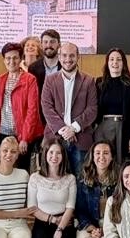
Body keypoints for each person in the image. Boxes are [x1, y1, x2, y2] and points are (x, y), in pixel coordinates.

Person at [29, 139, 79, 238]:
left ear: (63, 156)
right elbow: (32, 208)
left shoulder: (70, 179)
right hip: (43, 223)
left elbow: (70, 207)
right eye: (51, 152)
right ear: (45, 154)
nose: (54, 156)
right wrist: (52, 219)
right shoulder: (35, 178)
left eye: (58, 153)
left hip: (65, 223)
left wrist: (60, 227)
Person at [42, 42, 98, 170]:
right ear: (59, 57)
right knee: (54, 179)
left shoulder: (88, 81)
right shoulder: (50, 80)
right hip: (54, 138)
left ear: (78, 57)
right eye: (64, 55)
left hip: (81, 139)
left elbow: (92, 109)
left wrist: (73, 128)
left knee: (80, 181)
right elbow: (47, 107)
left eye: (72, 55)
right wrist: (63, 129)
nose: (68, 59)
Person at [76, 141, 118, 238]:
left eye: (106, 153)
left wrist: (105, 229)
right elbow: (79, 210)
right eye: (98, 153)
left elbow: (121, 211)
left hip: (111, 227)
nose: (102, 157)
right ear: (92, 157)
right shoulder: (83, 178)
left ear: (112, 157)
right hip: (88, 225)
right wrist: (91, 228)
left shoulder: (119, 180)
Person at [0, 43, 42, 158]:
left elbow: (32, 111)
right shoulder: (0, 79)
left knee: (21, 170)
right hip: (1, 133)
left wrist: (25, 138)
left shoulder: (30, 79)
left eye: (15, 58)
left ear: (21, 59)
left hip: (20, 134)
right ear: (4, 60)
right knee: (3, 168)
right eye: (8, 58)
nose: (11, 61)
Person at [95, 48, 130, 165]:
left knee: (121, 162)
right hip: (104, 127)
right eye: (111, 59)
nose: (115, 63)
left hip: (124, 127)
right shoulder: (100, 83)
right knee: (105, 161)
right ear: (107, 63)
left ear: (123, 63)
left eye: (118, 59)